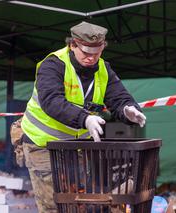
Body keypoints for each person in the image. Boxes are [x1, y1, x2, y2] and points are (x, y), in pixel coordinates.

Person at [20, 21, 146, 213]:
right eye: (86, 52)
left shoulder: (104, 69)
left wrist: (128, 109)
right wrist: (85, 119)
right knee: (53, 204)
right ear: (72, 45)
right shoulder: (53, 65)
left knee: (77, 202)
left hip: (75, 147)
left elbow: (118, 96)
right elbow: (51, 101)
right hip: (42, 143)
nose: (91, 58)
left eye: (96, 53)